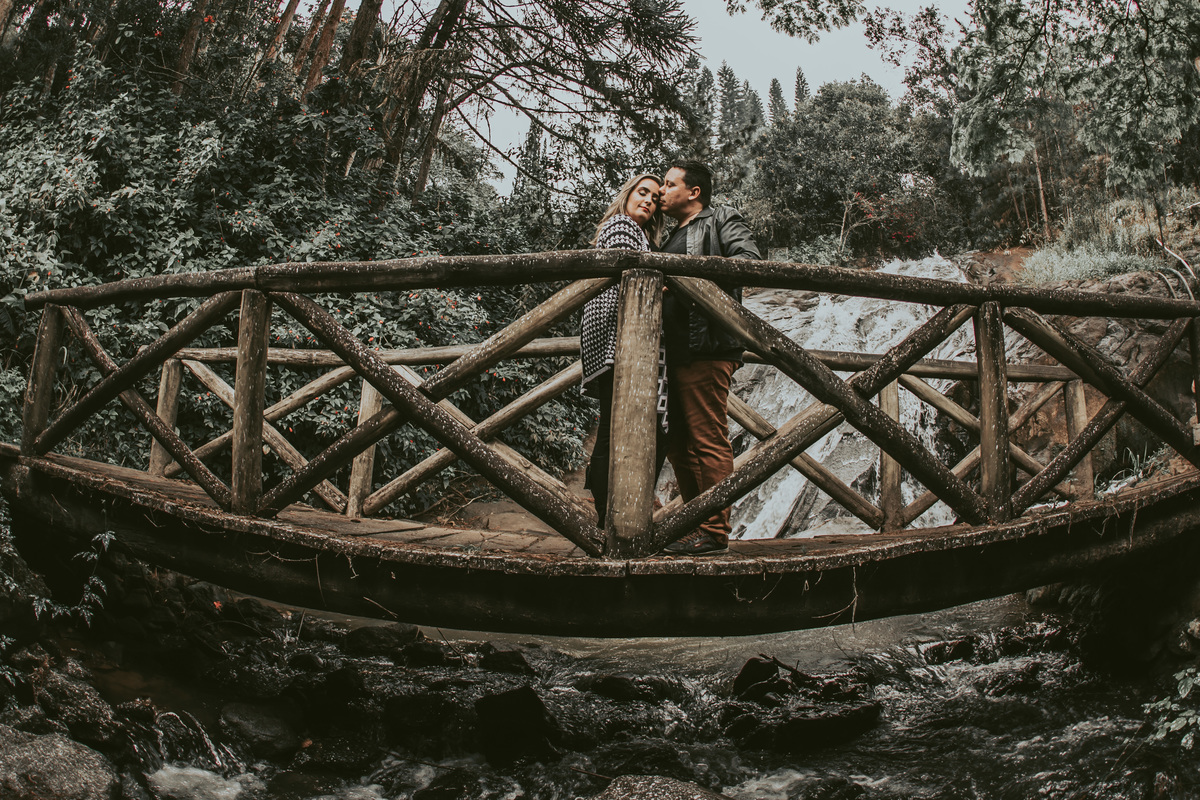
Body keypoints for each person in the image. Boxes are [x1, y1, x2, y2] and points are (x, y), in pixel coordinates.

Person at [657, 159, 761, 555]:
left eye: (670, 184)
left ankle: (715, 531)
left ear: (694, 192)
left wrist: (684, 282)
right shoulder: (671, 234)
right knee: (677, 444)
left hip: (707, 347)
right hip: (672, 354)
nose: (662, 190)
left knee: (707, 438)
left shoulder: (719, 219)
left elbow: (749, 263)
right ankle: (693, 524)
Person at [581, 173, 669, 528]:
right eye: (642, 192)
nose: (648, 200)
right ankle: (609, 516)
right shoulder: (621, 226)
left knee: (612, 427)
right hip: (619, 340)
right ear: (627, 195)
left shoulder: (637, 233)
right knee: (616, 430)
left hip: (616, 340)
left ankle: (610, 515)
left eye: (655, 198)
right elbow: (629, 277)